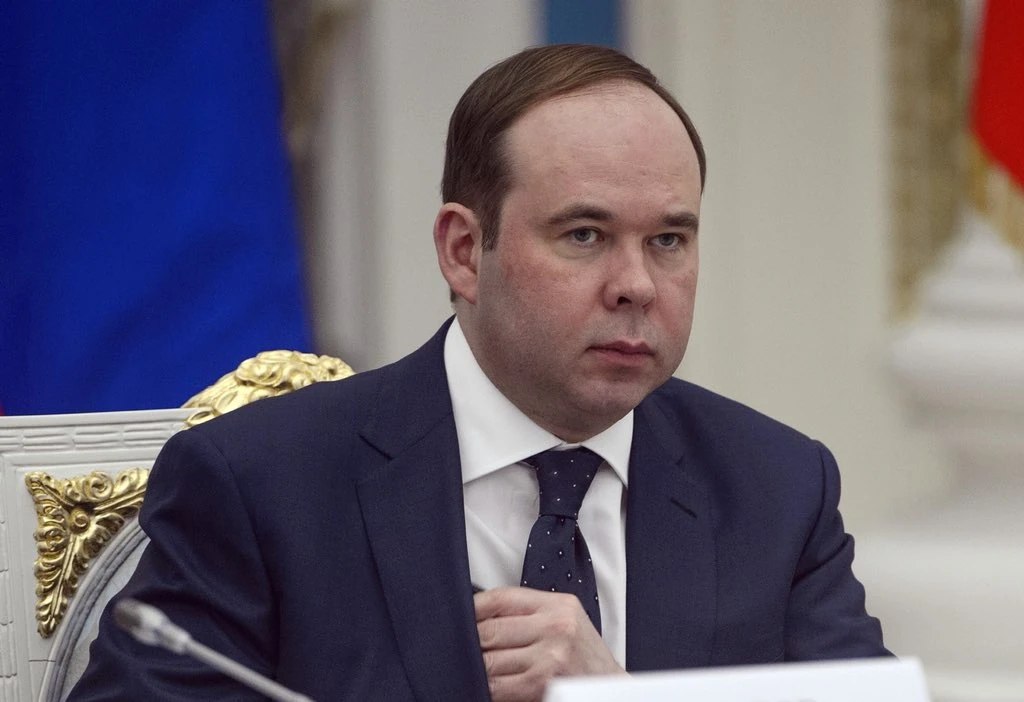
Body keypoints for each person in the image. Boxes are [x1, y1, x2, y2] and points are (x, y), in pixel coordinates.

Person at [70, 44, 887, 702]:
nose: (637, 284)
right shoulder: (263, 484)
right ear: (465, 251)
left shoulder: (776, 488)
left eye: (668, 240)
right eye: (585, 235)